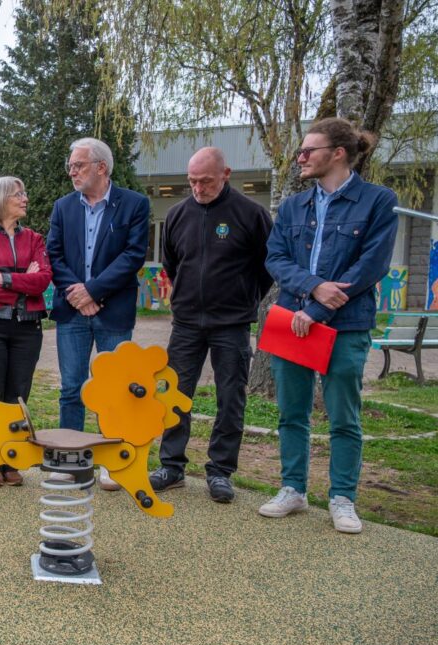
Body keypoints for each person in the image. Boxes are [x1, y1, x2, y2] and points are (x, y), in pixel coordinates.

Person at [260, 118, 398, 533]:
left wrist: (318, 309)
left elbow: (371, 266)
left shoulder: (377, 201)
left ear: (337, 153)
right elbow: (276, 259)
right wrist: (314, 287)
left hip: (345, 324)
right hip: (292, 318)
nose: (300, 158)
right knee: (292, 413)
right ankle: (293, 489)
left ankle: (342, 498)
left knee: (343, 416)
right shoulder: (292, 207)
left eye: (308, 151)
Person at [148, 148, 273, 503]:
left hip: (231, 324)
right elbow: (173, 263)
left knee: (230, 397)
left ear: (226, 174)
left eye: (205, 181)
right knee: (175, 396)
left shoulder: (251, 214)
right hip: (186, 322)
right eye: (192, 181)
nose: (198, 188)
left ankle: (220, 471)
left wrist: (244, 298)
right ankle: (171, 466)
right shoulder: (177, 214)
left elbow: (267, 267)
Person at [46, 138, 150, 488]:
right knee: (71, 387)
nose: (72, 171)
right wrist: (78, 294)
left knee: (116, 390)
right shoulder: (63, 207)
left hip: (113, 312)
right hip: (72, 311)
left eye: (79, 165)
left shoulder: (134, 204)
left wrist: (94, 291)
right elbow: (54, 256)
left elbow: (133, 256)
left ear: (101, 168)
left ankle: (110, 459)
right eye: (70, 166)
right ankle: (70, 459)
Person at [0, 176, 52, 487]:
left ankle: (9, 461)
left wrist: (1, 279)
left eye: (24, 192)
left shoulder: (35, 240)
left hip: (28, 329)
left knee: (17, 396)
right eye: (18, 193)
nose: (25, 198)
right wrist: (21, 281)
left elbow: (42, 281)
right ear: (1, 199)